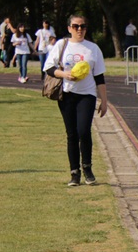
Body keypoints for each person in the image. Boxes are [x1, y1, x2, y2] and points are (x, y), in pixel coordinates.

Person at [43, 14, 108, 186]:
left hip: (87, 95)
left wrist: (104, 101)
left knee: (84, 131)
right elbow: (48, 68)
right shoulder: (62, 45)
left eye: (83, 26)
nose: (79, 29)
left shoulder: (93, 48)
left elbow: (99, 77)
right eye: (75, 26)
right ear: (69, 28)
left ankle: (87, 168)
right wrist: (64, 74)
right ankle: (74, 173)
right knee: (71, 134)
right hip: (67, 94)